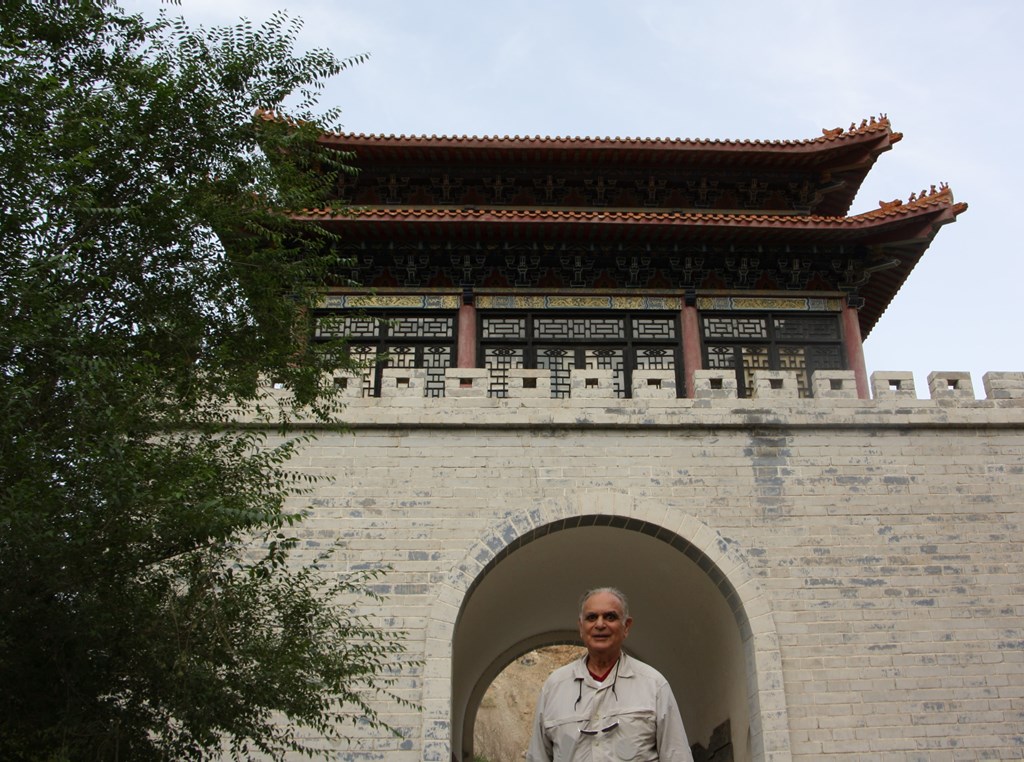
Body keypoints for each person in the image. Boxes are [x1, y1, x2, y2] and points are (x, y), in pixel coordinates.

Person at [526, 587, 693, 762]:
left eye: (610, 617)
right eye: (592, 617)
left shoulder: (654, 686)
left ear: (626, 626)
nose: (600, 624)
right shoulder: (554, 688)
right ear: (581, 627)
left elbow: (677, 755)